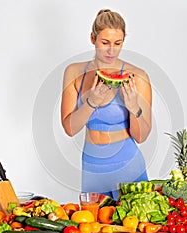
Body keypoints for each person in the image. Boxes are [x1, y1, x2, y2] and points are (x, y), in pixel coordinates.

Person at [61, 9, 152, 199]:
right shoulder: (74, 72)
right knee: (94, 226)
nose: (112, 50)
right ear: (92, 38)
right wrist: (91, 103)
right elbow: (69, 128)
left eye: (118, 43)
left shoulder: (138, 76)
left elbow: (141, 136)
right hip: (92, 168)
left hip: (128, 165)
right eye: (105, 43)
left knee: (132, 227)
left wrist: (134, 107)